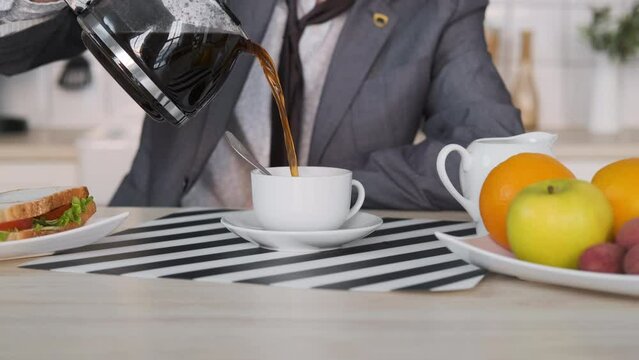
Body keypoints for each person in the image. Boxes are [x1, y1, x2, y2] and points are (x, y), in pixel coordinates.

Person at [0, 0, 524, 210]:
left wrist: (336, 193)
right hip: (160, 244)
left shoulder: (435, 8)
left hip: (331, 270)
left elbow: (496, 153)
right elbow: (13, 50)